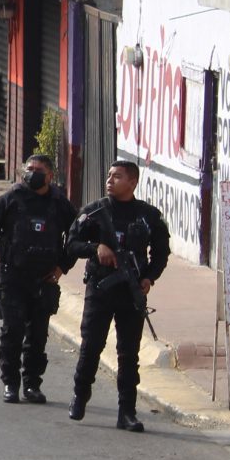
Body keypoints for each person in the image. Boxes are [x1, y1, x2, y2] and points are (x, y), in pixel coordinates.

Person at [66, 160, 171, 431]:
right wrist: (95, 248)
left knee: (128, 354)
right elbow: (71, 244)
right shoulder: (93, 212)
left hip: (130, 292)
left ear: (133, 183)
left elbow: (160, 252)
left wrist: (149, 277)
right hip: (101, 289)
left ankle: (127, 411)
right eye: (109, 175)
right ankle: (80, 396)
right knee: (91, 347)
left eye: (118, 177)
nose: (110, 180)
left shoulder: (148, 216)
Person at [0, 154, 76, 403]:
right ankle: (11, 383)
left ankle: (32, 384)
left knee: (38, 335)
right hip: (13, 277)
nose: (33, 173)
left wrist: (62, 266)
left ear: (50, 175)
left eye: (38, 169)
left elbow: (75, 239)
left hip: (44, 280)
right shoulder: (10, 199)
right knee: (13, 331)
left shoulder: (59, 203)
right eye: (29, 169)